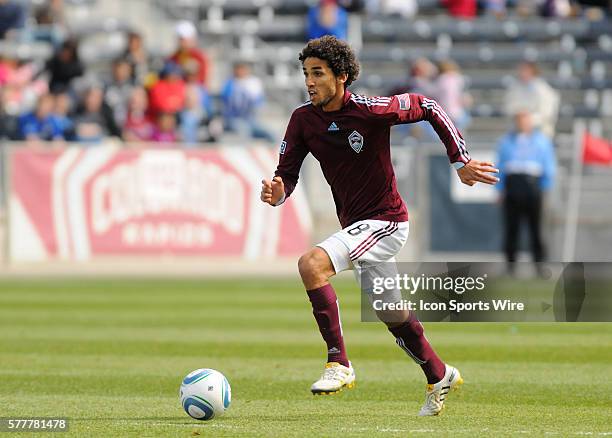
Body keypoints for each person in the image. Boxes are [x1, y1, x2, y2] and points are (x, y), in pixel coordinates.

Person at [260, 36, 499, 416]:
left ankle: (339, 363)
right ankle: (439, 374)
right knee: (390, 311)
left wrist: (460, 161)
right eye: (306, 73)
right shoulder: (302, 120)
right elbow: (285, 177)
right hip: (357, 227)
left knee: (311, 265)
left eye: (318, 73)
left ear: (341, 77)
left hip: (386, 221)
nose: (309, 82)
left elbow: (429, 105)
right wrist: (277, 192)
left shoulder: (370, 111)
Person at [495, 110, 556, 275]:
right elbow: (500, 166)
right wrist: (499, 189)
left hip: (533, 187)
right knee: (511, 228)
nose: (522, 124)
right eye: (519, 121)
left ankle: (539, 265)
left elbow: (548, 166)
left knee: (536, 229)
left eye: (525, 120)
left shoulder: (542, 141)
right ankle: (510, 266)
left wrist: (546, 187)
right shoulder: (506, 141)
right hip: (513, 186)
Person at [504, 61, 560, 139]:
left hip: (540, 133)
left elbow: (547, 114)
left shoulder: (545, 90)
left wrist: (528, 120)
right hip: (517, 134)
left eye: (526, 70)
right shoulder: (514, 88)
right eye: (522, 70)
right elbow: (509, 109)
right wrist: (520, 118)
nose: (523, 73)